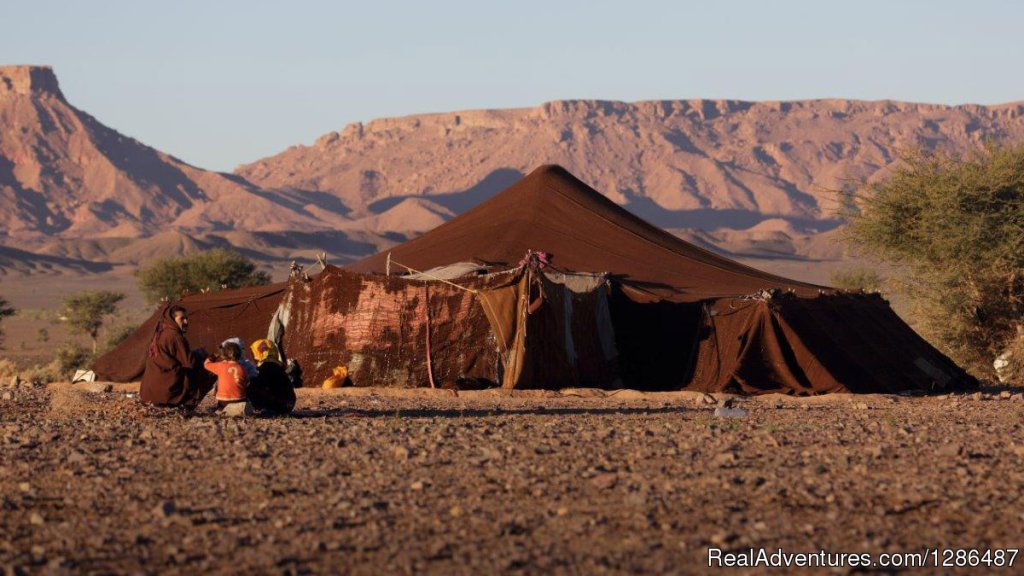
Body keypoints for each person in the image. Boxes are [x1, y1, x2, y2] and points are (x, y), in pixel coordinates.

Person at [140, 305, 213, 408]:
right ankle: (187, 404)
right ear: (172, 319)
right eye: (182, 319)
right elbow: (190, 362)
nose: (186, 322)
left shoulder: (161, 333)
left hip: (148, 393)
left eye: (186, 318)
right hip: (166, 392)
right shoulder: (175, 336)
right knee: (210, 370)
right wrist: (202, 355)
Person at [248, 339, 296, 415]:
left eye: (254, 354)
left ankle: (264, 408)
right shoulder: (276, 366)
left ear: (259, 353)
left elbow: (258, 385)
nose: (254, 358)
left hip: (281, 406)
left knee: (250, 387)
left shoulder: (266, 367)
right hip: (288, 404)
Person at [204, 341, 249, 408]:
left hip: (223, 401)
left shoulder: (220, 366)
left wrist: (213, 356)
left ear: (224, 354)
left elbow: (206, 364)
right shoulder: (243, 368)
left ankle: (221, 408)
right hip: (239, 400)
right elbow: (246, 383)